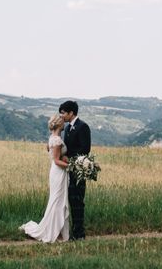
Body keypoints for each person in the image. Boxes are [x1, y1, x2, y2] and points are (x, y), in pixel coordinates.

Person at [19, 114, 70, 242]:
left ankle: (56, 230)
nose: (64, 123)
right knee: (57, 201)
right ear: (59, 124)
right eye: (63, 121)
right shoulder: (57, 140)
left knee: (56, 200)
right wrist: (71, 166)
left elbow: (52, 153)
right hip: (59, 171)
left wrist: (64, 158)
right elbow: (57, 160)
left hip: (55, 172)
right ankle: (53, 231)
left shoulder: (52, 138)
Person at [59, 100, 91, 241]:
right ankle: (75, 232)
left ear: (71, 113)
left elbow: (85, 149)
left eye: (64, 113)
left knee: (78, 201)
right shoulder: (66, 128)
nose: (62, 116)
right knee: (72, 201)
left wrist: (69, 158)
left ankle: (79, 234)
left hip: (78, 169)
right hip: (68, 169)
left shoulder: (83, 127)